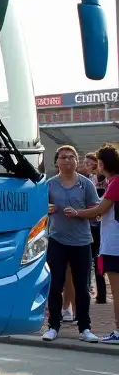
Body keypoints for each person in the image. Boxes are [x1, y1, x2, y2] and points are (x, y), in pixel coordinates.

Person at [42, 145, 99, 342]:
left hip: (81, 241)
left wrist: (78, 213)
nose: (67, 160)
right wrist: (45, 209)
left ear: (77, 160)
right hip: (56, 239)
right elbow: (37, 210)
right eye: (63, 157)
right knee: (55, 285)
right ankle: (53, 326)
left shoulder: (86, 185)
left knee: (82, 286)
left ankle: (85, 328)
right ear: (56, 161)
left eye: (71, 157)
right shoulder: (49, 185)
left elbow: (96, 210)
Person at [77, 144, 119, 343]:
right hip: (113, 243)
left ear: (102, 163)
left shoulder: (115, 182)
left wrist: (76, 213)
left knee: (117, 292)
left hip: (114, 245)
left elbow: (99, 210)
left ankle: (118, 331)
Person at [84, 152, 109, 303]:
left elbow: (102, 201)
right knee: (88, 259)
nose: (86, 165)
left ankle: (102, 294)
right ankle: (88, 291)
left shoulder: (103, 179)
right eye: (85, 163)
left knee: (97, 258)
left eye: (89, 163)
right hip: (89, 224)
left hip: (99, 225)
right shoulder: (86, 180)